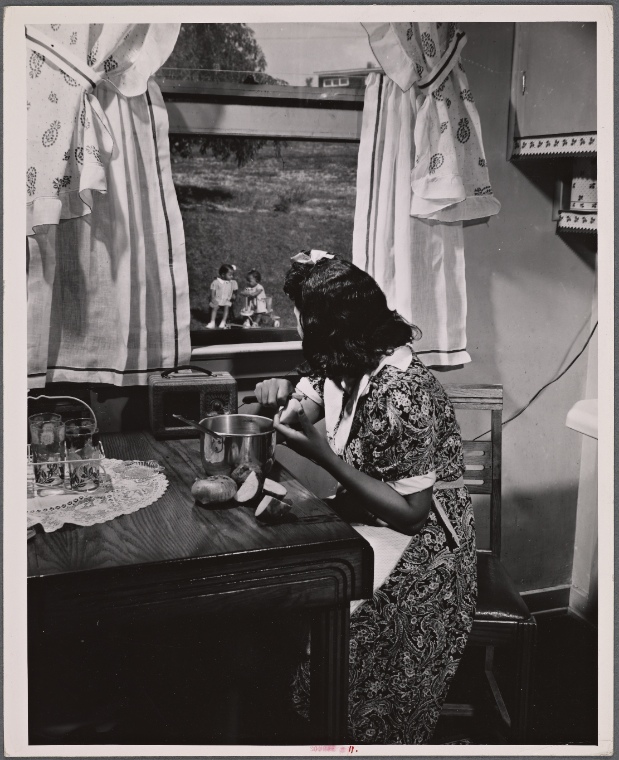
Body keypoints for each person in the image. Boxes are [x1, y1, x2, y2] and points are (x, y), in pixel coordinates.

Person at [253, 250, 477, 744]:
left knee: (339, 658)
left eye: (304, 321)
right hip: (371, 527)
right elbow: (309, 400)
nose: (300, 331)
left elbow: (414, 515)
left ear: (331, 327)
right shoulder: (346, 357)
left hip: (427, 556)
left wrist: (324, 458)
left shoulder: (403, 391)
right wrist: (277, 398)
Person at [207, 264, 238, 329]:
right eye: (230, 275)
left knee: (226, 308)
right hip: (218, 299)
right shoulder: (216, 282)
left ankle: (223, 322)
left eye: (232, 275)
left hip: (227, 299)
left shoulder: (232, 282)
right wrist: (212, 298)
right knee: (214, 308)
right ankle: (212, 322)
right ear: (223, 275)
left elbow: (235, 290)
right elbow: (213, 290)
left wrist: (234, 295)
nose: (232, 276)